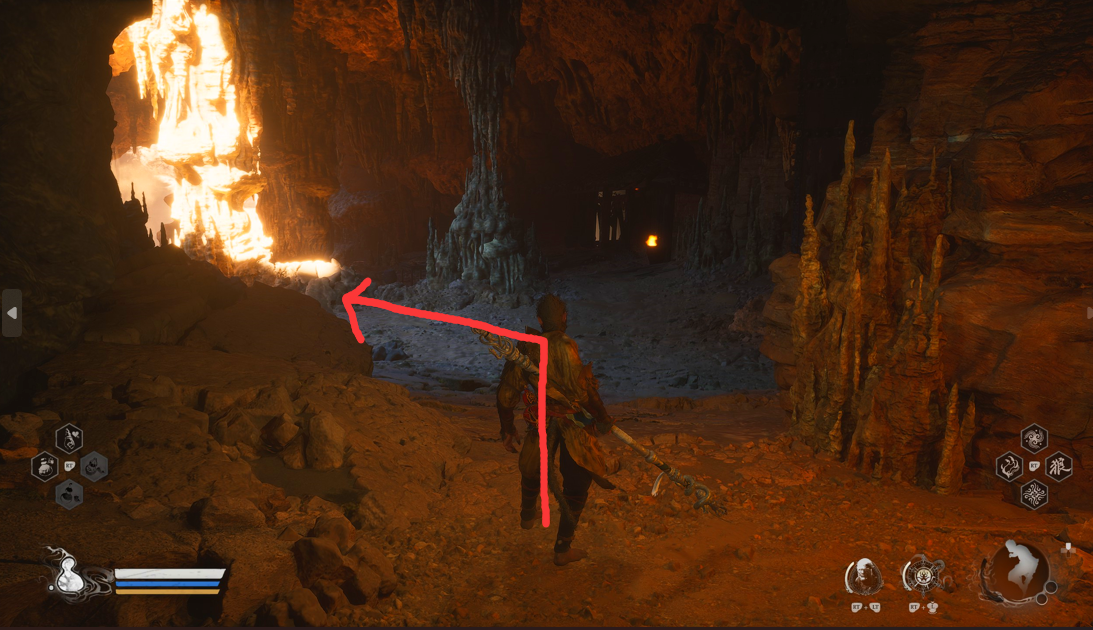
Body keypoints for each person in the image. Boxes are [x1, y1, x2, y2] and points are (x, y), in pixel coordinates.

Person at [496, 294, 619, 566]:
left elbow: (506, 395)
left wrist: (507, 429)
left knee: (532, 466)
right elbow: (582, 391)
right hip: (571, 423)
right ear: (564, 317)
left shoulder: (526, 346)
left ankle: (527, 514)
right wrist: (602, 417)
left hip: (541, 420)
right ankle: (562, 549)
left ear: (540, 320)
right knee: (576, 485)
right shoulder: (565, 344)